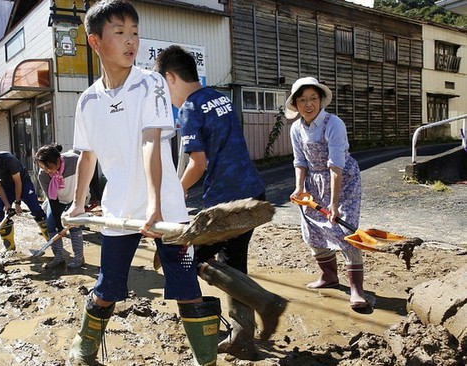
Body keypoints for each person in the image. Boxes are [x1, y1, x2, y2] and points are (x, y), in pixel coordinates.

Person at [64, 1, 220, 365]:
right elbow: (87, 156)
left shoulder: (150, 84)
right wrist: (77, 202)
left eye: (134, 32)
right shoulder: (87, 101)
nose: (130, 40)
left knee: (186, 287)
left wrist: (156, 205)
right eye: (119, 33)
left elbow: (152, 140)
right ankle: (84, 349)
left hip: (166, 211)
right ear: (95, 41)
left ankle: (206, 360)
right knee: (107, 288)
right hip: (120, 210)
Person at [155, 45, 286, 360]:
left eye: (163, 86)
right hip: (253, 193)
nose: (166, 96)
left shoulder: (189, 108)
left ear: (171, 78)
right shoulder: (221, 98)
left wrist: (174, 191)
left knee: (194, 259)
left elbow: (196, 164)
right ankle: (243, 340)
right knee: (233, 265)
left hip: (225, 204)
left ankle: (267, 302)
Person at [286, 76, 368, 310]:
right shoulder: (296, 128)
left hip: (343, 179)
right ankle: (329, 277)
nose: (308, 104)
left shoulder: (333, 124)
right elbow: (300, 161)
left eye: (313, 98)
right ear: (296, 104)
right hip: (314, 181)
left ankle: (356, 290)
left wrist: (333, 204)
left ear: (321, 100)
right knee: (311, 228)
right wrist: (300, 188)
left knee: (345, 230)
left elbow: (335, 165)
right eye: (302, 100)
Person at [0, 143, 48, 251]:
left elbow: (18, 182)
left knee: (36, 210)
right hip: (6, 186)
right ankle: (9, 249)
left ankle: (53, 241)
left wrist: (17, 202)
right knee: (1, 213)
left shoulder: (7, 159)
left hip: (23, 183)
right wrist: (6, 203)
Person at [35, 144, 85, 269]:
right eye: (42, 167)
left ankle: (79, 257)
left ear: (58, 160)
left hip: (75, 199)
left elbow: (88, 173)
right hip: (56, 200)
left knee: (74, 226)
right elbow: (53, 201)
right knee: (51, 225)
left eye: (48, 166)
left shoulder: (74, 161)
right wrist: (59, 225)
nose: (46, 170)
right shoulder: (43, 175)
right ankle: (58, 257)